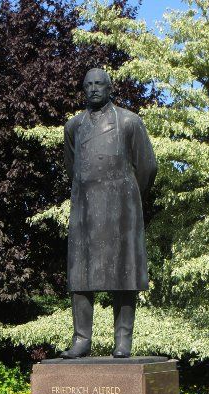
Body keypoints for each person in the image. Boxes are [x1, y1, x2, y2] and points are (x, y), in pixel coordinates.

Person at [61, 68, 157, 358]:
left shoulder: (129, 121)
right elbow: (72, 167)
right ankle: (81, 339)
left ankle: (123, 340)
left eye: (99, 84)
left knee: (124, 273)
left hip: (122, 208)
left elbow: (148, 166)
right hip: (86, 207)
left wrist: (128, 196)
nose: (93, 89)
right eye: (88, 84)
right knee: (80, 273)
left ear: (110, 88)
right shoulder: (73, 126)